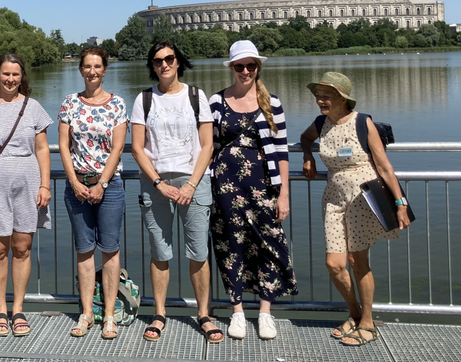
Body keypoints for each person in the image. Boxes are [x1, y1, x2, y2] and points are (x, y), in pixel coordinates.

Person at [300, 72, 410, 346]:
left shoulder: (363, 122)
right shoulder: (320, 123)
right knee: (334, 264)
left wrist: (400, 204)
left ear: (343, 97)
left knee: (356, 262)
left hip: (363, 199)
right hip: (334, 199)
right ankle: (355, 312)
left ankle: (368, 324)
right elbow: (305, 138)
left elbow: (384, 166)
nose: (320, 100)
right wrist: (308, 156)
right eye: (318, 95)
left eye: (326, 95)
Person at [131, 41, 223, 344]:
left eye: (169, 59)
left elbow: (207, 145)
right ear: (152, 66)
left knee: (198, 251)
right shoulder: (144, 100)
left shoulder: (196, 97)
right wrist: (159, 183)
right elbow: (137, 147)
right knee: (160, 252)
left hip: (193, 180)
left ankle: (204, 314)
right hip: (156, 183)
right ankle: (159, 313)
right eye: (158, 61)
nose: (164, 65)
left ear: (178, 62)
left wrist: (191, 184)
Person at [209, 40, 297, 340]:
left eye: (250, 65)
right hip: (225, 187)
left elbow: (283, 150)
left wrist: (284, 193)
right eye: (239, 66)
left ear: (257, 67)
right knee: (230, 246)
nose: (245, 71)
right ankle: (236, 312)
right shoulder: (216, 102)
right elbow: (207, 146)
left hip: (264, 186)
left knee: (268, 245)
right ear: (232, 68)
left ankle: (265, 312)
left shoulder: (271, 103)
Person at [0, 54, 52, 337]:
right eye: (6, 74)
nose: (11, 79)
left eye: (15, 74)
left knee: (22, 247)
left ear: (22, 76)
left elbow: (42, 148)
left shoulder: (33, 107)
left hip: (28, 183)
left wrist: (45, 185)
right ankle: (1, 310)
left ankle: (18, 310)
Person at [58, 47, 128, 339]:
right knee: (84, 251)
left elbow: (118, 148)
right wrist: (74, 182)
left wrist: (102, 184)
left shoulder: (117, 104)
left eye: (98, 66)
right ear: (81, 70)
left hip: (108, 187)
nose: (92, 71)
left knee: (110, 251)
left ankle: (109, 315)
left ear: (105, 69)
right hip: (77, 185)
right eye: (87, 66)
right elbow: (63, 145)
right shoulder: (70, 103)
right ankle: (86, 313)